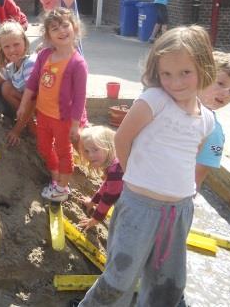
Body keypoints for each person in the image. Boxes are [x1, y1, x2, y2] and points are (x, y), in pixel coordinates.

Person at [78, 25, 216, 307]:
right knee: (119, 279)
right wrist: (134, 174)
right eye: (166, 74)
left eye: (185, 73)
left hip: (178, 211)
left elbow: (192, 156)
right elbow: (122, 139)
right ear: (156, 71)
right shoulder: (155, 101)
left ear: (203, 67)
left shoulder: (207, 119)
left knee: (167, 284)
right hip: (140, 206)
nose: (175, 82)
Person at [18, 8, 88, 202]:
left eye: (65, 25)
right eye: (55, 28)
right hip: (43, 114)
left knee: (64, 151)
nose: (62, 31)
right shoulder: (44, 55)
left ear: (74, 28)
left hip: (63, 119)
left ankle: (62, 188)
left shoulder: (77, 64)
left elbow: (80, 98)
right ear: (48, 35)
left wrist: (75, 125)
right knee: (43, 146)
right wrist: (24, 104)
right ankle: (56, 177)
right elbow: (32, 82)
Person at [195, 51, 230, 189]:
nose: (225, 93)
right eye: (220, 83)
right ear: (201, 76)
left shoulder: (213, 133)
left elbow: (196, 179)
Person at [78, 126, 123, 231]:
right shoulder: (113, 165)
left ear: (108, 146)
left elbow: (109, 198)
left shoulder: (116, 171)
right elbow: (107, 185)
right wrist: (92, 202)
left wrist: (95, 219)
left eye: (95, 149)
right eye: (87, 151)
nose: (91, 155)